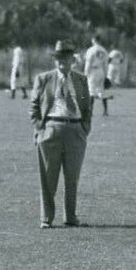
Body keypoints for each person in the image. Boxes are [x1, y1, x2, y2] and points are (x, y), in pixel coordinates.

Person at [29, 40, 93, 228]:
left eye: (65, 58)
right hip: (51, 129)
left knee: (72, 177)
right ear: (55, 60)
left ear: (72, 59)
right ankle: (46, 218)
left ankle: (70, 217)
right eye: (58, 58)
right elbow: (33, 107)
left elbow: (88, 107)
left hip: (75, 131)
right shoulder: (44, 79)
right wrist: (39, 130)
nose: (62, 62)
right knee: (48, 177)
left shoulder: (81, 80)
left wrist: (84, 128)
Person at [80, 31, 111, 117]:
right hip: (101, 70)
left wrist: (86, 73)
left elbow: (88, 62)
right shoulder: (104, 50)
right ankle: (105, 111)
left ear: (94, 40)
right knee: (102, 91)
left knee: (91, 91)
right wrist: (105, 75)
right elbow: (106, 64)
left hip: (93, 71)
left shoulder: (91, 49)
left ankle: (90, 112)